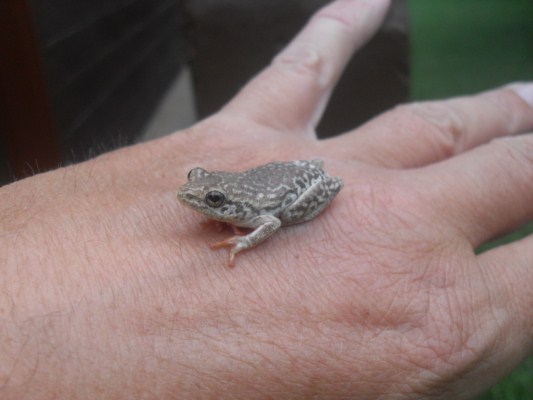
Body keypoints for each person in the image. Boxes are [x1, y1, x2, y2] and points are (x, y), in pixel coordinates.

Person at [1, 0, 532, 398]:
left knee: (286, 211)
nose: (193, 200)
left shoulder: (248, 212)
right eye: (201, 189)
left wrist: (245, 241)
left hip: (293, 186)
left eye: (207, 197)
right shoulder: (217, 196)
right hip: (269, 175)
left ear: (225, 203)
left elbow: (272, 223)